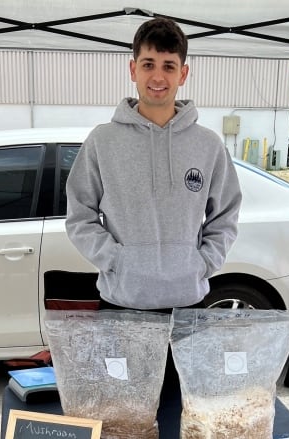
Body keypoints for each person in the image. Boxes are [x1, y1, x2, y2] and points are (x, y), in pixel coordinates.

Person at [65, 17, 242, 311]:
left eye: (168, 66)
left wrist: (203, 263)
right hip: (122, 300)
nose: (158, 77)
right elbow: (79, 216)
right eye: (148, 64)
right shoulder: (102, 141)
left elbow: (225, 215)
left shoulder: (208, 145)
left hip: (188, 301)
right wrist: (116, 261)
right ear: (133, 69)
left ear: (183, 74)